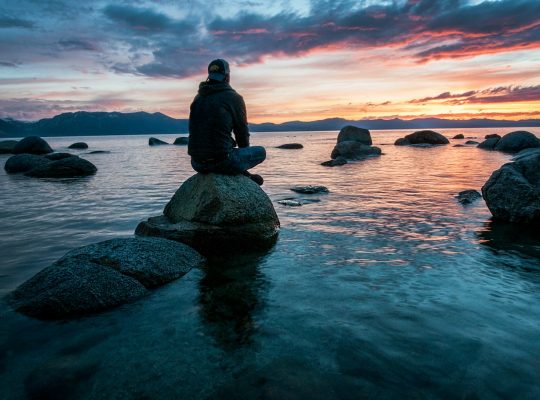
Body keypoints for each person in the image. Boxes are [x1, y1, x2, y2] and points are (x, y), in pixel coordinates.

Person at [188, 59, 266, 185]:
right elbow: (241, 133)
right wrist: (243, 156)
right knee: (261, 152)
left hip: (196, 163)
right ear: (227, 76)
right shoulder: (233, 98)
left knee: (226, 148)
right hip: (222, 161)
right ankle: (243, 173)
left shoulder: (198, 98)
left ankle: (242, 173)